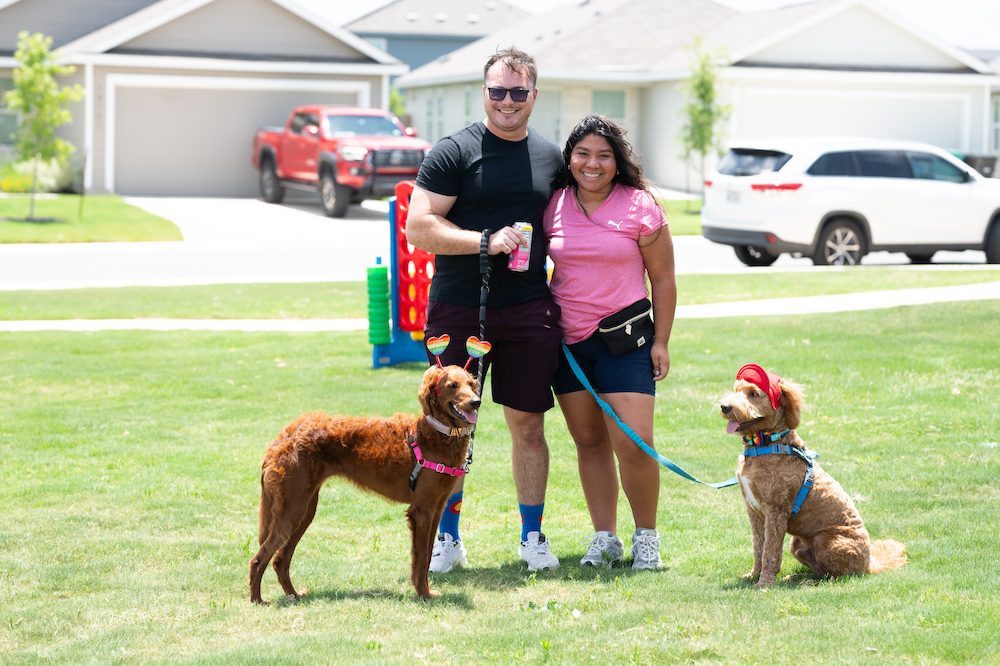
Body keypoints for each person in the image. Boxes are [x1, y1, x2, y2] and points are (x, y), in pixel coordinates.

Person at [405, 47, 565, 573]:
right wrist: (483, 241)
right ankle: (446, 538)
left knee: (528, 426)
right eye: (498, 91)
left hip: (527, 310)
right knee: (449, 427)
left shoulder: (550, 157)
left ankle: (533, 537)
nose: (508, 101)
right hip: (457, 307)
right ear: (485, 93)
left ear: (534, 97)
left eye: (519, 92)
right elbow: (420, 225)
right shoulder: (454, 151)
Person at [542, 115, 677, 570]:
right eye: (583, 154)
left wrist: (661, 340)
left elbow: (662, 277)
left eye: (603, 155)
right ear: (570, 159)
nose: (592, 164)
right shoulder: (554, 203)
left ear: (618, 163)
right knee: (589, 442)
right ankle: (605, 538)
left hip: (626, 341)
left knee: (634, 442)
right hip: (569, 345)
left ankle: (647, 539)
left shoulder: (641, 206)